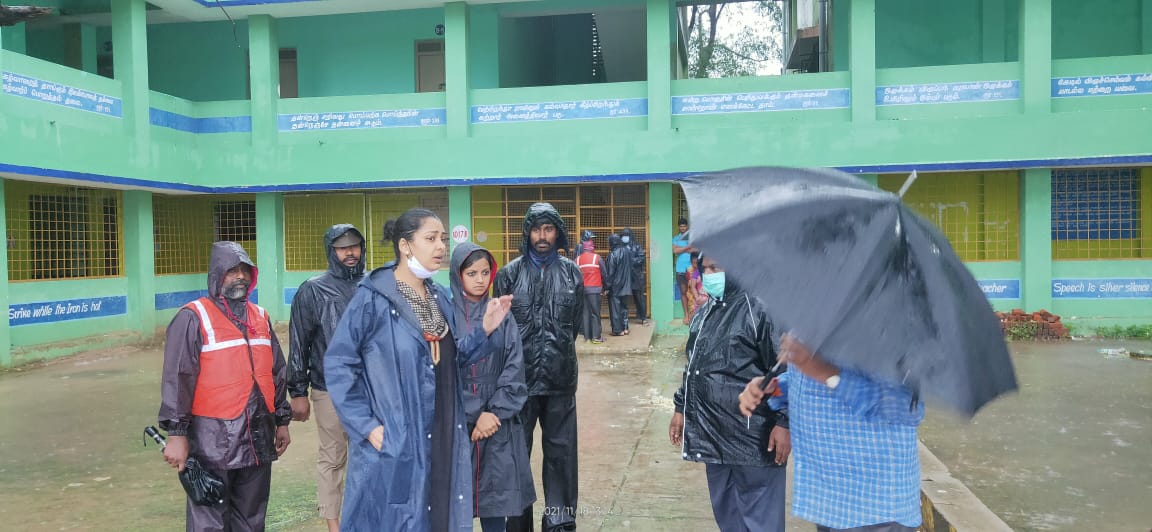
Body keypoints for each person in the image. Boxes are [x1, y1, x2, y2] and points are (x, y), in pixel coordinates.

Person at [322, 208, 513, 531]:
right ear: (405, 246)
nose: (441, 246)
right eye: (431, 238)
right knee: (395, 518)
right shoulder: (373, 299)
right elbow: (339, 363)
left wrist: (484, 331)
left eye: (442, 239)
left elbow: (448, 362)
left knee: (437, 517)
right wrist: (366, 425)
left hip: (441, 435)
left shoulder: (438, 297)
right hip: (397, 438)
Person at [158, 241, 292, 531]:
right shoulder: (193, 317)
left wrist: (282, 421)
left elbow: (277, 372)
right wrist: (177, 434)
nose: (240, 277)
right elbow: (178, 378)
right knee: (211, 520)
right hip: (212, 442)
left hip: (258, 436)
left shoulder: (261, 317)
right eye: (232, 271)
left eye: (245, 270)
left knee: (252, 518)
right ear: (216, 275)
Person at [739, 334, 925, 532]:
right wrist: (773, 387)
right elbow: (807, 382)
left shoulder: (889, 328)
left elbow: (907, 408)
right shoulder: (816, 318)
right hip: (829, 497)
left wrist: (826, 372)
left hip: (873, 506)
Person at [669, 255, 789, 532]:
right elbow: (694, 365)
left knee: (762, 522)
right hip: (712, 435)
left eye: (716, 267)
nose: (709, 274)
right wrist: (681, 407)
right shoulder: (703, 312)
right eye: (706, 268)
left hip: (754, 439)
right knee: (728, 517)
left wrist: (784, 422)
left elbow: (783, 369)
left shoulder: (761, 309)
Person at [494, 202, 584, 532]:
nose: (542, 236)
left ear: (558, 232)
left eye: (548, 229)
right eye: (536, 229)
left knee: (561, 457)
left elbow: (572, 327)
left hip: (560, 381)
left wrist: (555, 353)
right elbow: (499, 331)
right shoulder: (509, 274)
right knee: (517, 457)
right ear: (527, 233)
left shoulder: (571, 272)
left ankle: (559, 522)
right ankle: (517, 525)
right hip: (519, 383)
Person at [450, 242, 537, 532]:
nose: (479, 279)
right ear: (457, 275)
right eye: (471, 273)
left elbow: (515, 370)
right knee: (455, 501)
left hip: (498, 424)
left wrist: (493, 413)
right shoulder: (445, 314)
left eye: (485, 272)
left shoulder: (502, 313)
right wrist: (475, 414)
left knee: (496, 503)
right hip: (459, 422)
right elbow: (442, 371)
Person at [287, 224, 365, 532]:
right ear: (331, 251)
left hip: (371, 389)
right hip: (328, 388)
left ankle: (365, 518)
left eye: (355, 246)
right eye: (342, 247)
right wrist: (298, 391)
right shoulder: (313, 289)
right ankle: (335, 526)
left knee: (369, 456)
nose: (350, 252)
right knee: (333, 457)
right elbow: (299, 342)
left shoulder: (373, 284)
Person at [575, 229, 608, 343]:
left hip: (583, 290)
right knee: (595, 313)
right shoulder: (597, 258)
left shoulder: (577, 259)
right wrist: (605, 288)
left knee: (585, 313)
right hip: (595, 290)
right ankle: (596, 337)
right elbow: (604, 274)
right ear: (591, 246)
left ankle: (587, 337)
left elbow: (575, 277)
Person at [604, 233, 632, 337]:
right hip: (627, 285)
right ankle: (625, 328)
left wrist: (606, 287)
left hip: (615, 286)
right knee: (624, 308)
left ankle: (617, 330)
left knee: (615, 309)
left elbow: (610, 273)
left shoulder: (613, 254)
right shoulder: (627, 252)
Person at [620, 227, 648, 326]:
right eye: (623, 235)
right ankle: (623, 319)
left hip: (636, 277)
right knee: (623, 298)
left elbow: (641, 259)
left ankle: (643, 318)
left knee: (639, 298)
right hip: (624, 277)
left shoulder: (636, 246)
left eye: (626, 235)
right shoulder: (619, 247)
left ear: (630, 236)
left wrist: (630, 260)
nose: (625, 237)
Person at [672, 218, 695, 325]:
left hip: (692, 269)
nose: (682, 228)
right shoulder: (675, 238)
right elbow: (675, 251)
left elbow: (695, 250)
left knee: (694, 291)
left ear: (687, 227)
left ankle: (693, 315)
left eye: (684, 226)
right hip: (680, 269)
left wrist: (682, 249)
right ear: (679, 227)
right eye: (680, 226)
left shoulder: (692, 238)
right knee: (683, 292)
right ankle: (686, 315)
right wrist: (687, 248)